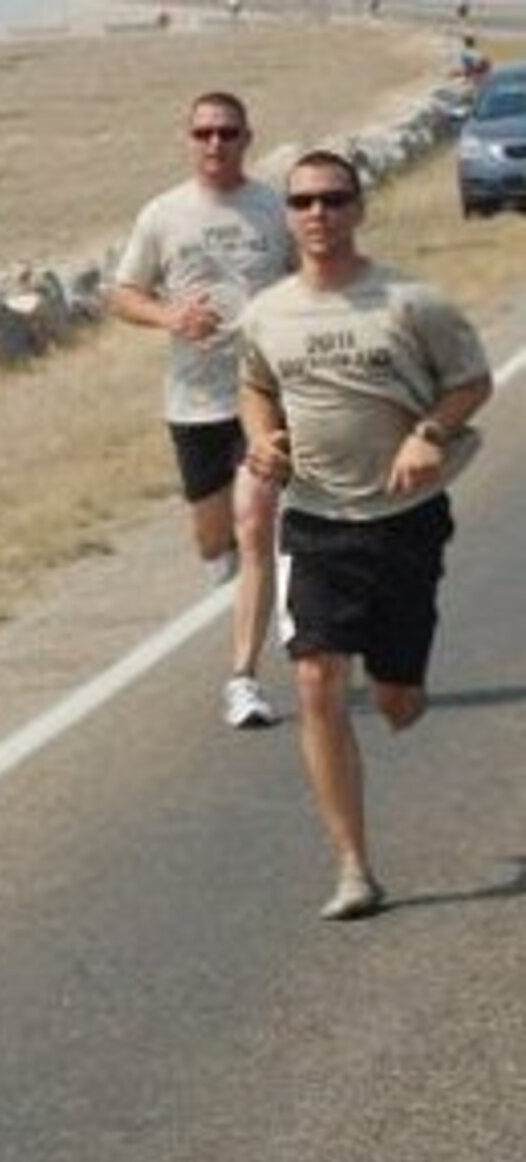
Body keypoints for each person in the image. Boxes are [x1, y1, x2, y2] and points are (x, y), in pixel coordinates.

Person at [238, 150, 491, 919]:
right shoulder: (267, 313)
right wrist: (261, 439)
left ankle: (402, 679)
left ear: (359, 208)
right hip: (315, 519)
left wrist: (429, 435)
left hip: (403, 522)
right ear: (289, 215)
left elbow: (471, 382)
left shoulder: (411, 302)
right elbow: (254, 385)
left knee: (397, 699)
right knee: (315, 679)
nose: (319, 214)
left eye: (335, 199)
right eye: (305, 202)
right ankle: (353, 868)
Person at [111, 90, 294, 730]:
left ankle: (243, 677)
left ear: (248, 138)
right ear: (189, 140)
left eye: (228, 132)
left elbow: (313, 276)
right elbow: (124, 294)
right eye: (204, 133)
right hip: (195, 400)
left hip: (268, 396)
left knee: (255, 523)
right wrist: (171, 315)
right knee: (214, 538)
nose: (215, 143)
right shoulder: (162, 215)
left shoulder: (276, 207)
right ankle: (243, 584)